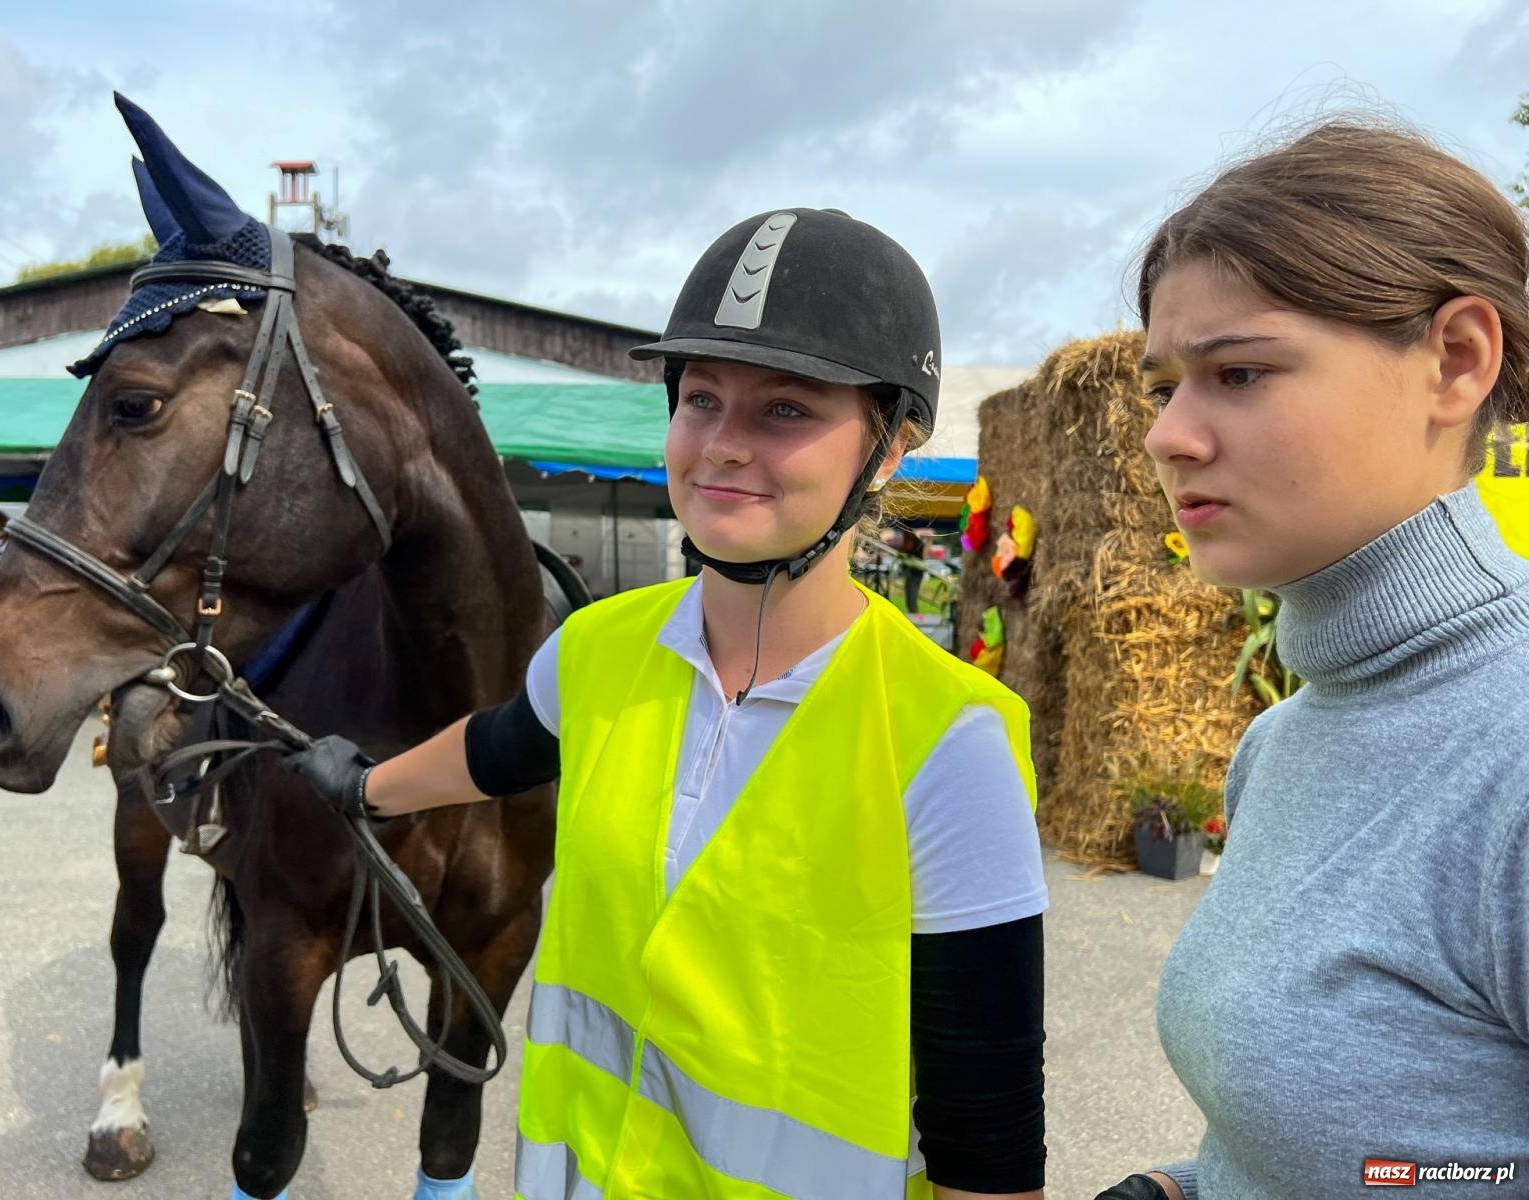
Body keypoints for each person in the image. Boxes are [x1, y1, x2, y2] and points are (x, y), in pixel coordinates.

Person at [289, 209, 1049, 1200]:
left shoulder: (950, 740)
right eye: (700, 399)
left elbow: (983, 1141)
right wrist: (365, 787)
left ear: (891, 446)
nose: (721, 445)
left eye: (784, 409)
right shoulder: (599, 647)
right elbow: (502, 748)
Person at [1094, 121, 1529, 1200]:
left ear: (1457, 361)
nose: (1167, 436)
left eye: (1237, 372)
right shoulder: (1280, 741)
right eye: (1162, 387)